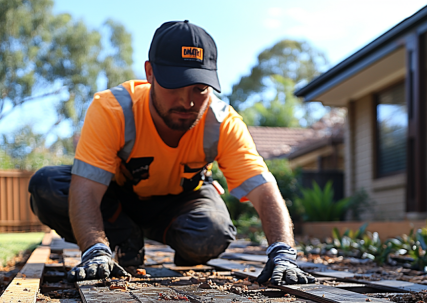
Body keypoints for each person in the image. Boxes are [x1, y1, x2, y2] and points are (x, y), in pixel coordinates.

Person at [29, 20, 314, 286]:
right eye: (173, 85)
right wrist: (94, 249)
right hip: (117, 200)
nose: (186, 101)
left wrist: (282, 254)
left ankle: (167, 242)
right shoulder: (113, 109)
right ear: (150, 73)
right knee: (48, 186)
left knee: (212, 233)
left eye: (199, 88)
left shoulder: (223, 122)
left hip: (178, 203)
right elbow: (86, 191)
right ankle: (122, 238)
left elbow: (264, 190)